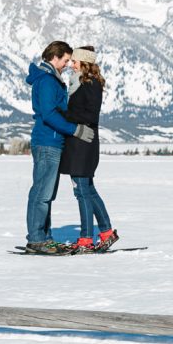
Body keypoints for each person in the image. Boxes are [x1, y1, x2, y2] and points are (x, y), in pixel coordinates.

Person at [25, 41, 95, 253]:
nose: (66, 65)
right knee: (42, 193)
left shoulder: (50, 79)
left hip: (52, 141)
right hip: (47, 141)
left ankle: (44, 236)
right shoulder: (47, 81)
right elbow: (49, 114)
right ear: (55, 57)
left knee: (47, 193)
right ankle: (37, 238)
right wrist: (74, 129)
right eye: (65, 60)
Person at [59, 46, 118, 253]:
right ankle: (106, 232)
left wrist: (64, 116)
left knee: (82, 192)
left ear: (83, 63)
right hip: (78, 144)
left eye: (74, 61)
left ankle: (86, 238)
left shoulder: (90, 84)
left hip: (84, 144)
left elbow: (91, 116)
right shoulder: (78, 83)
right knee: (87, 190)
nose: (70, 65)